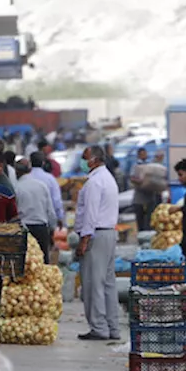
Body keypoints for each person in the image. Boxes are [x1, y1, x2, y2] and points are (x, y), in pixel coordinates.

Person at [75, 145, 120, 341]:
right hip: (109, 234)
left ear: (93, 160)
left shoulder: (94, 183)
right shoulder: (108, 178)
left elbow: (91, 215)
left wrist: (84, 240)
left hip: (96, 235)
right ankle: (112, 327)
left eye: (85, 158)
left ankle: (99, 328)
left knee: (93, 284)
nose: (83, 162)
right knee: (108, 283)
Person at [14, 160, 55, 261]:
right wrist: (52, 229)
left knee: (26, 262)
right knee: (42, 262)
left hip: (24, 229)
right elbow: (50, 210)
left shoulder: (17, 188)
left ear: (17, 172)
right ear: (30, 170)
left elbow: (14, 211)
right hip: (41, 228)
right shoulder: (42, 185)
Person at [130, 147, 168, 230]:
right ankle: (141, 235)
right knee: (140, 219)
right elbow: (132, 178)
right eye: (142, 154)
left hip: (150, 197)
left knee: (150, 220)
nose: (144, 155)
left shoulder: (151, 165)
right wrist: (141, 181)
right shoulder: (136, 166)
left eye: (145, 153)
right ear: (139, 155)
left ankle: (148, 235)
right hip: (139, 197)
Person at [28, 151, 65, 229]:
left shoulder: (25, 178)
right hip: (45, 221)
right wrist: (60, 218)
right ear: (43, 163)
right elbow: (56, 201)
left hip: (26, 221)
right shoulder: (50, 179)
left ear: (30, 162)